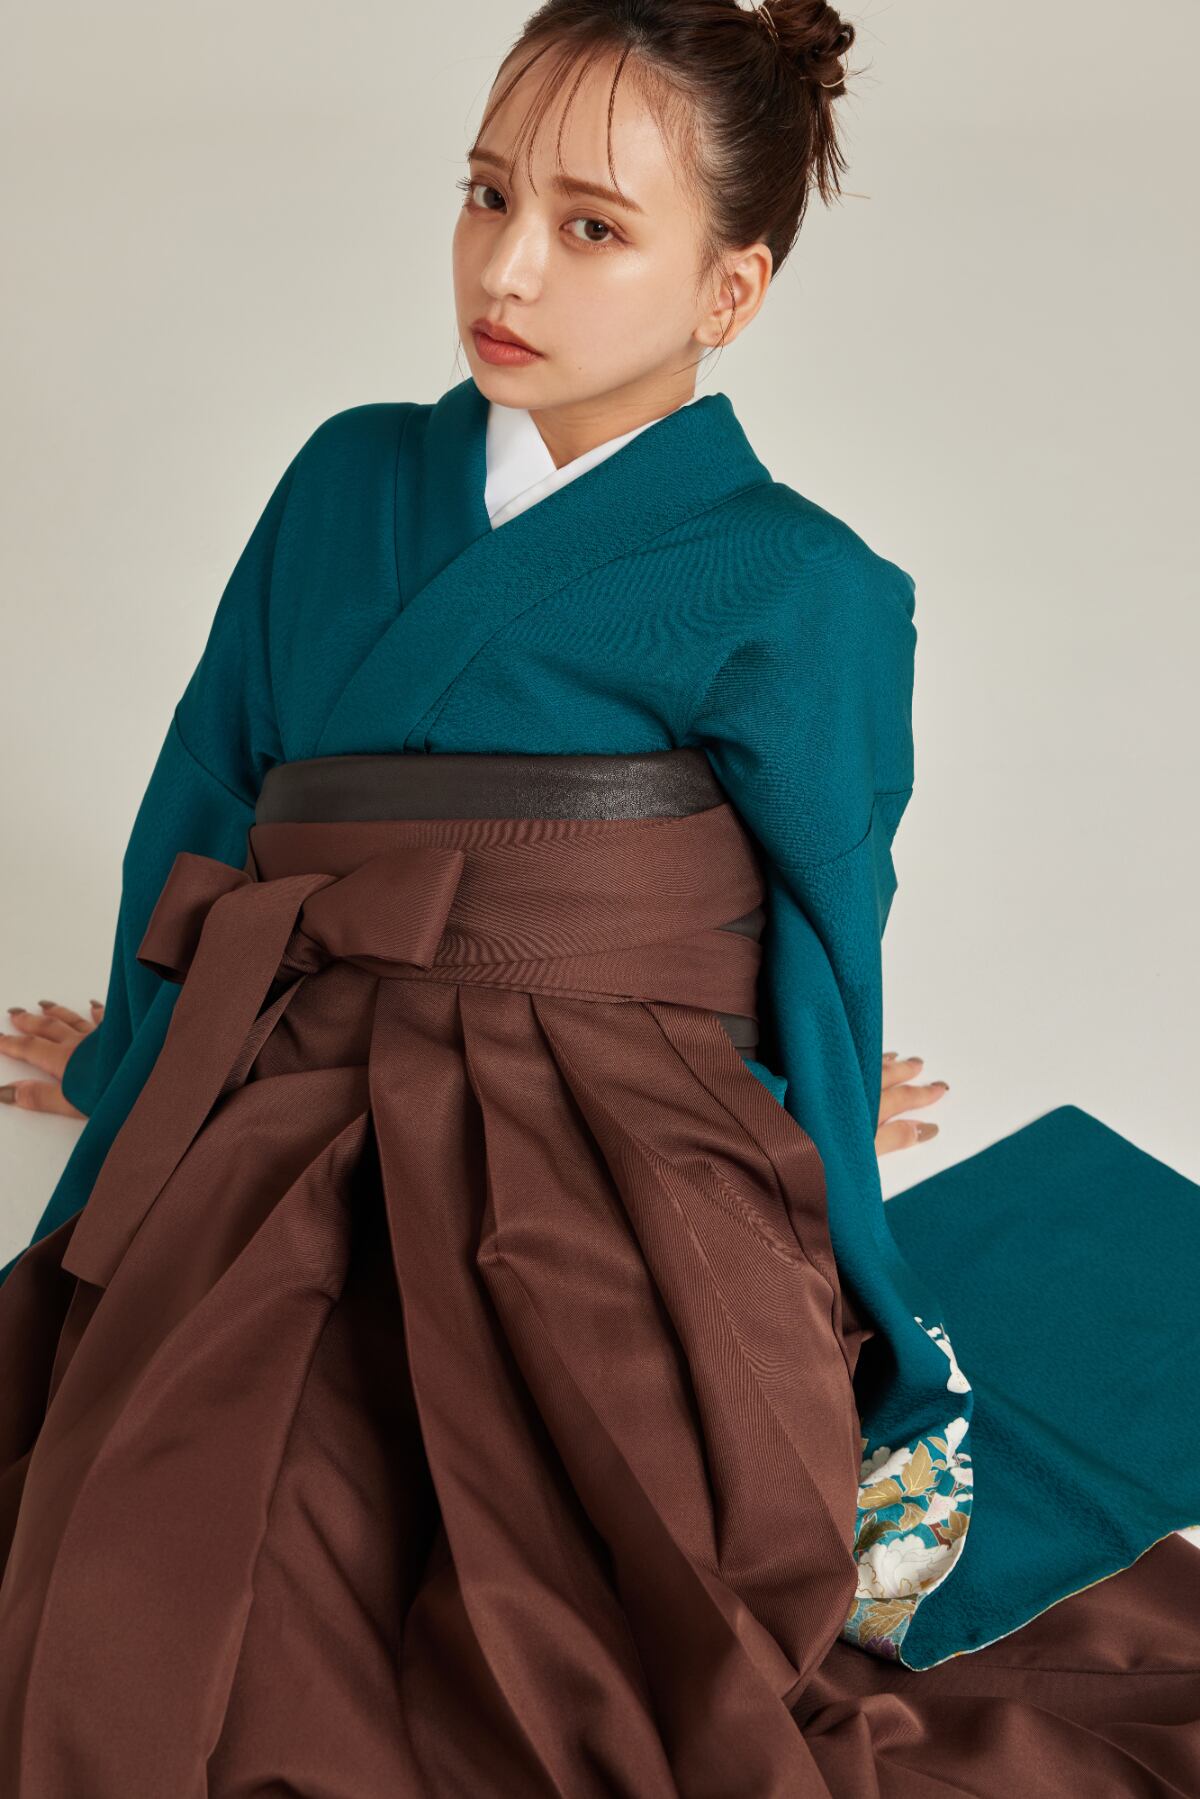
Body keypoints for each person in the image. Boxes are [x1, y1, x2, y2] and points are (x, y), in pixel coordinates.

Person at [1, 2, 1198, 1792]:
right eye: (487, 194)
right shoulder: (343, 479)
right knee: (163, 1564)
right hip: (297, 1096)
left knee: (578, 1600)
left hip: (590, 1131)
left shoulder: (805, 585)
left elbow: (825, 920)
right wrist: (141, 1066)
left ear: (731, 288)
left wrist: (790, 1128)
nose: (508, 269)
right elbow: (208, 802)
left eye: (592, 226)